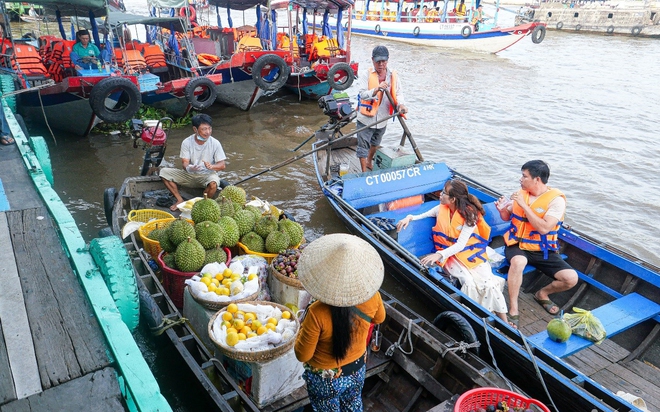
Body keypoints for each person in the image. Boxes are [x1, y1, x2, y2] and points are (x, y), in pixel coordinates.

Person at [295, 233, 386, 411]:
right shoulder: (372, 296)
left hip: (325, 379)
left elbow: (303, 355)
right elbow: (379, 318)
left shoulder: (316, 312)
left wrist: (298, 333)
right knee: (353, 405)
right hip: (357, 369)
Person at [396, 179, 508, 322]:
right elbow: (422, 215)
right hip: (450, 257)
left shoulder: (470, 215)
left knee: (489, 282)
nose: (440, 195)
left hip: (469, 255)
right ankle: (475, 318)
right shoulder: (440, 209)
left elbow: (461, 245)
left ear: (453, 199)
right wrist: (409, 217)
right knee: (468, 282)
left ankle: (504, 322)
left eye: (444, 193)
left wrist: (438, 254)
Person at [495, 160, 578, 328]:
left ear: (537, 179)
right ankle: (513, 307)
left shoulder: (556, 201)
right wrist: (503, 209)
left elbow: (544, 229)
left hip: (542, 249)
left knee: (571, 279)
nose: (520, 179)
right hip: (517, 244)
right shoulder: (521, 194)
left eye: (524, 176)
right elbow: (507, 216)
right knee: (519, 262)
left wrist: (525, 206)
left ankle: (542, 294)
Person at [356, 46, 407, 173]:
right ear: (373, 60)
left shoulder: (393, 76)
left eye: (383, 61)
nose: (381, 64)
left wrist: (401, 105)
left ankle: (369, 161)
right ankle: (363, 172)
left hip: (383, 118)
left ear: (387, 60)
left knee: (376, 142)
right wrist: (376, 89)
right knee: (363, 146)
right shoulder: (366, 74)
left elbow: (399, 93)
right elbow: (362, 94)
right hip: (366, 119)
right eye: (378, 61)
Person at [159, 114, 227, 211]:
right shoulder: (187, 142)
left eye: (209, 128)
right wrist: (189, 167)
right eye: (204, 129)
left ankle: (202, 205)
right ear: (195, 129)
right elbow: (184, 162)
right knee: (163, 172)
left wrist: (211, 166)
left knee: (213, 184)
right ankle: (179, 199)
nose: (208, 132)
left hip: (207, 176)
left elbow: (222, 165)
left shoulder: (215, 143)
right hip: (189, 175)